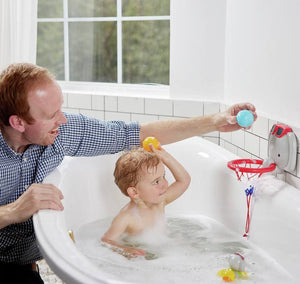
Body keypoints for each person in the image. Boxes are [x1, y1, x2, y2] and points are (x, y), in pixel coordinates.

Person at [0, 62, 256, 283]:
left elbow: (133, 133)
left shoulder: (61, 133)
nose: (63, 120)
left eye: (61, 110)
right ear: (18, 122)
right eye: (52, 115)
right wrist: (13, 211)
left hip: (23, 261)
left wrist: (213, 122)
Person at [101, 144, 191, 258]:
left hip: (164, 249)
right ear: (134, 192)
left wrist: (166, 158)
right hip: (140, 254)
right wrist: (125, 250)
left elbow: (184, 180)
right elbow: (106, 241)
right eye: (156, 182)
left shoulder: (160, 202)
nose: (165, 184)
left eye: (164, 176)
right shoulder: (126, 218)